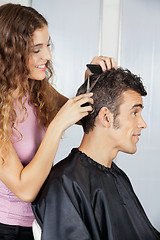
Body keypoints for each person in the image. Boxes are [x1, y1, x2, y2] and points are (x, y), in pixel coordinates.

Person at [0, 3, 117, 240]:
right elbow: (25, 189)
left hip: (35, 222)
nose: (48, 56)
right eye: (37, 49)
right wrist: (56, 126)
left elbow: (79, 112)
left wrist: (90, 81)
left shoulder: (35, 88)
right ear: (11, 53)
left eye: (48, 45)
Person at [32, 68, 160, 240]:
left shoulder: (117, 176)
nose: (143, 123)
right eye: (134, 112)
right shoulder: (65, 183)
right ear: (106, 117)